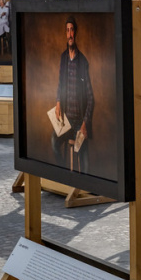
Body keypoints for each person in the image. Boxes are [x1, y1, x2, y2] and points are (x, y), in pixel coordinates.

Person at [52, 16, 94, 173]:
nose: (70, 34)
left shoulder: (83, 62)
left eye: (72, 30)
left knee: (81, 153)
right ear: (66, 33)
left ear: (75, 33)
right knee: (54, 143)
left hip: (79, 123)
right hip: (66, 121)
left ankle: (85, 185)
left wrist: (85, 123)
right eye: (67, 30)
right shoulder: (63, 58)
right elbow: (60, 85)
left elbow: (90, 98)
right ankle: (65, 175)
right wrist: (58, 102)